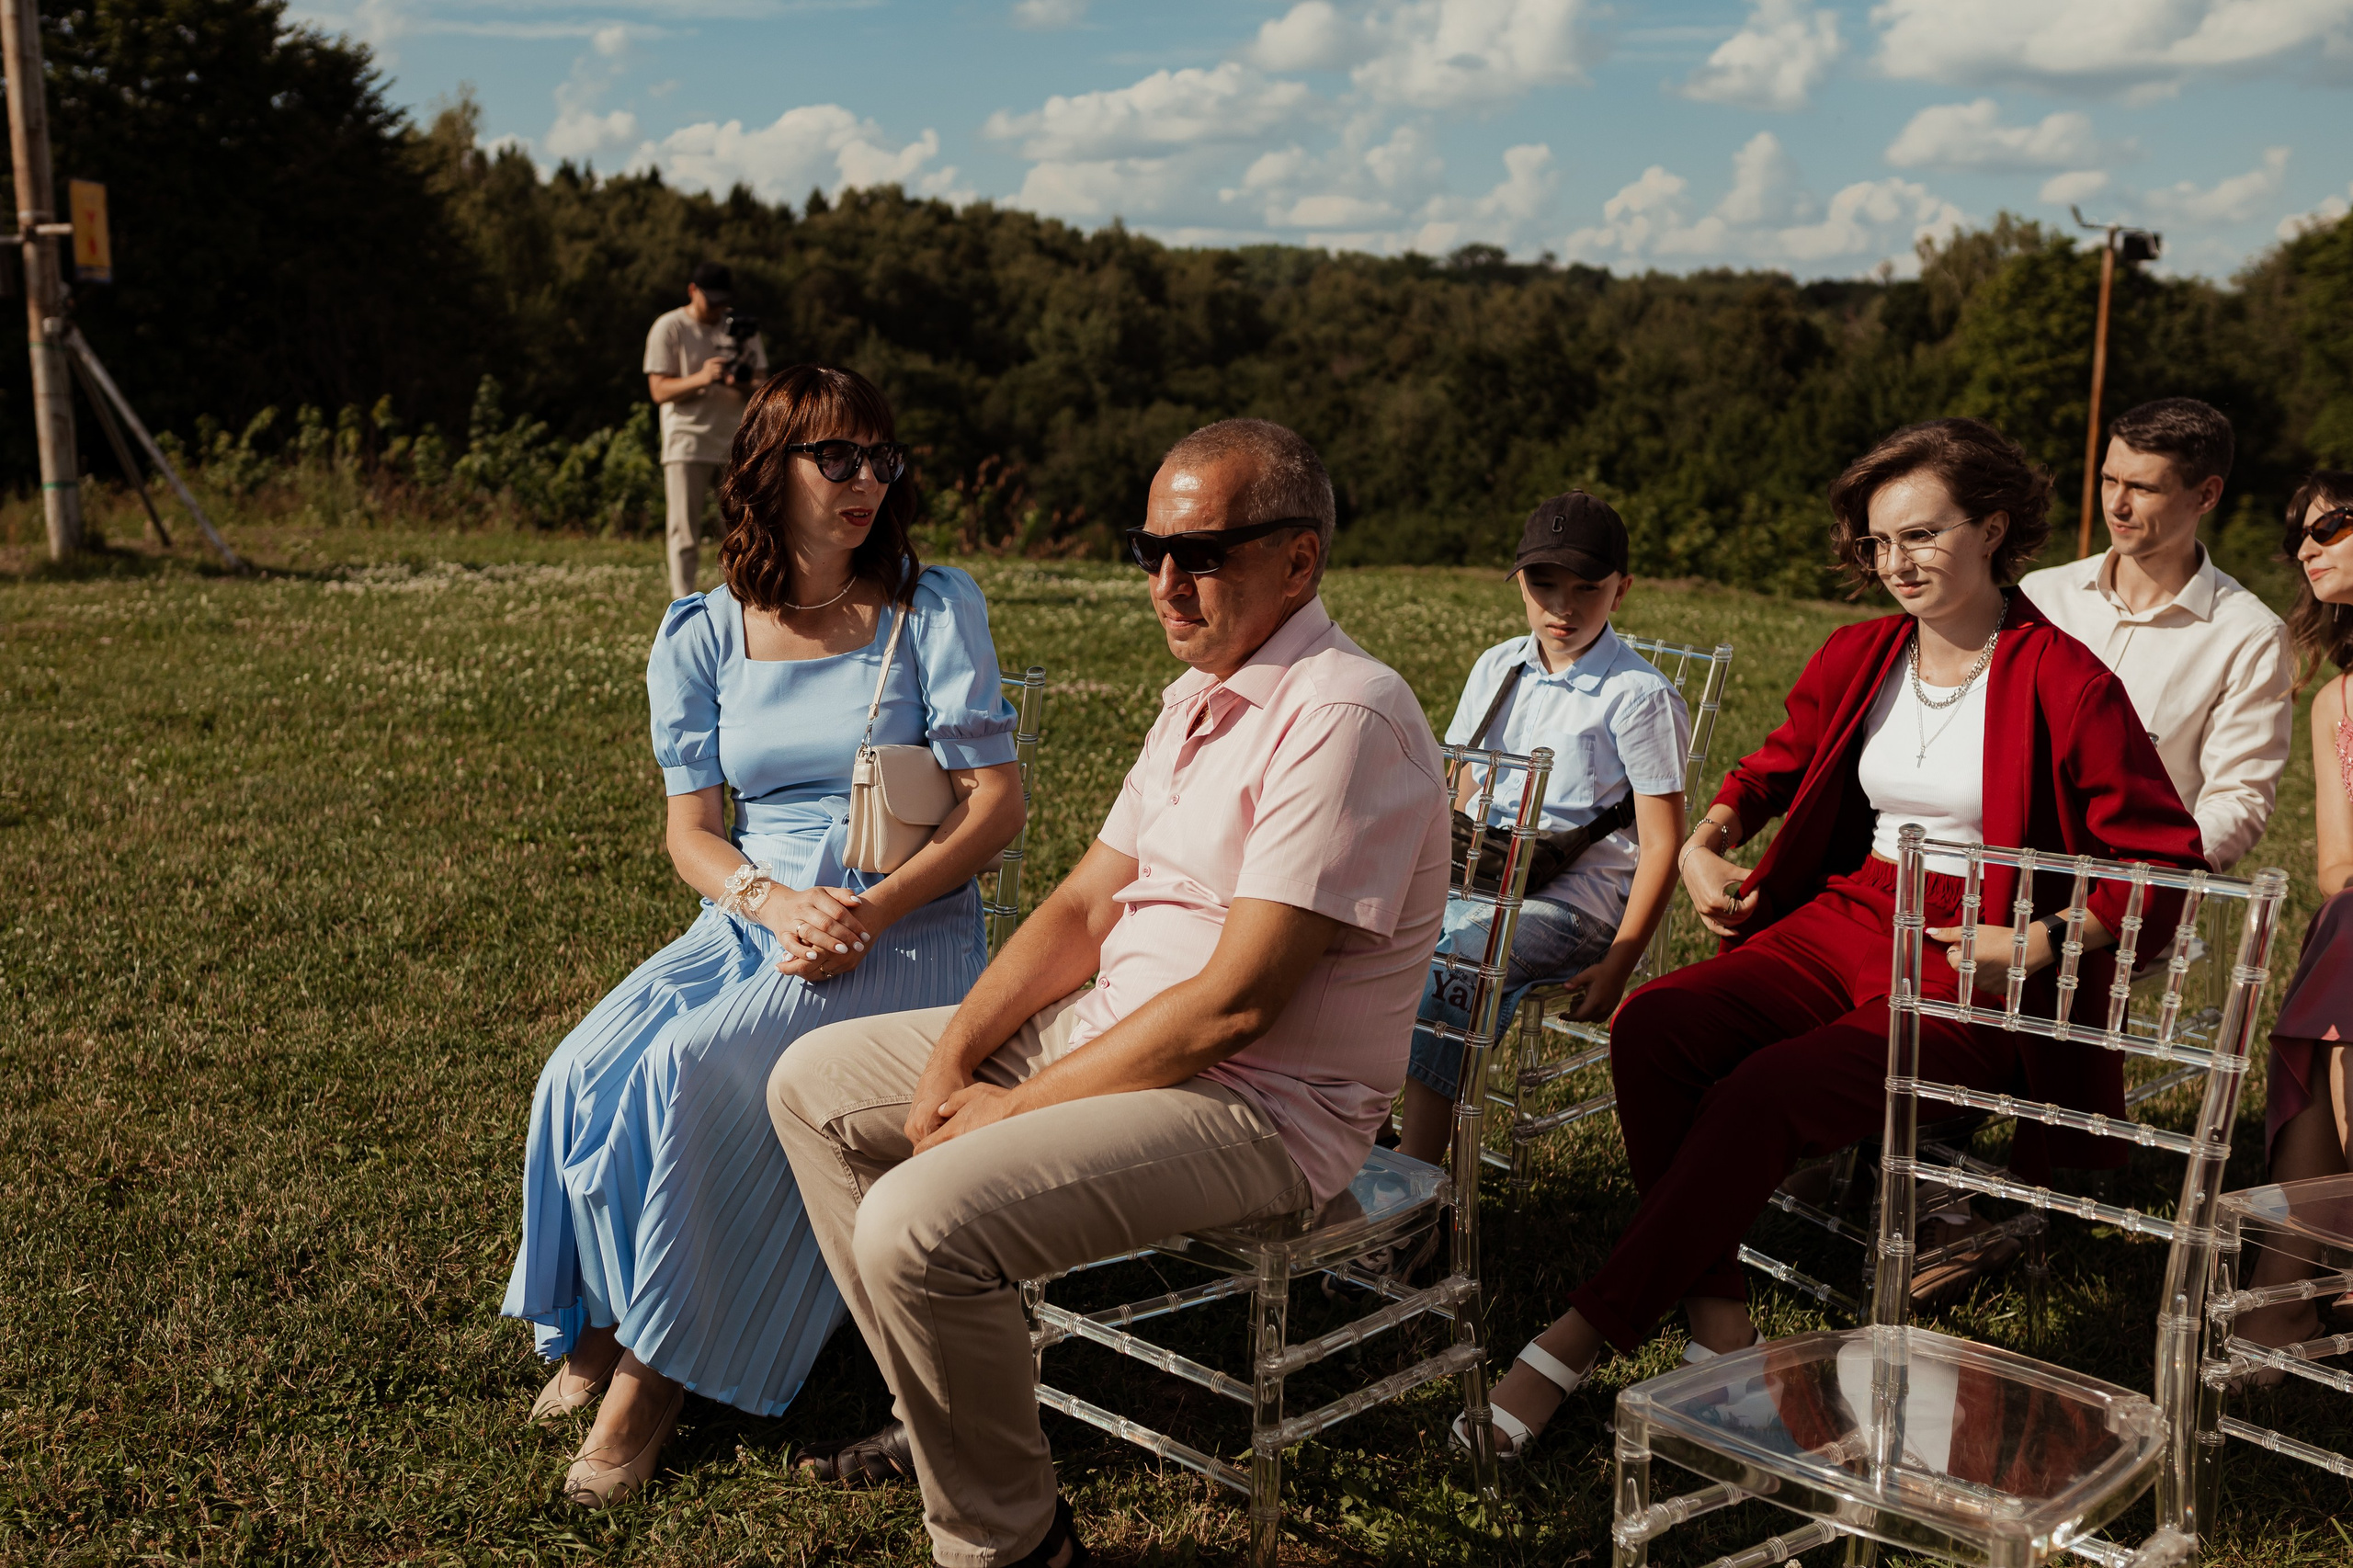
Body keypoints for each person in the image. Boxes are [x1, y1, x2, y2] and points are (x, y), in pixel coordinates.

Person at [766, 418, 1449, 1568]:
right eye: (1150, 550)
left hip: (1255, 1106)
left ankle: (1009, 1540)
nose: (1168, 583)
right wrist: (954, 1061)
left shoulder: (1341, 716)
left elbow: (1237, 1004)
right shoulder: (1199, 697)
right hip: (1114, 1042)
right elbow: (1084, 907)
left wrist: (1008, 1108)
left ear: (1299, 559)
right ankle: (950, 1415)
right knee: (811, 1084)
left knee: (917, 1223)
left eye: (1204, 552)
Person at [1469, 417, 2205, 1459]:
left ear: (1993, 527)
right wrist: (1707, 842)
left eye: (1920, 534)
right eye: (1877, 542)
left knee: (1762, 1092)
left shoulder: (2065, 680)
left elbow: (2163, 860)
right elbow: (1773, 764)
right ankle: (1719, 1331)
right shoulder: (1862, 650)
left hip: (1967, 952)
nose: (1895, 562)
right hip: (1852, 909)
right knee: (1656, 1026)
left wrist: (2037, 943)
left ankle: (1568, 1342)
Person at [500, 365, 1025, 1507]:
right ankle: (600, 1315)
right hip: (752, 914)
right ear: (766, 470)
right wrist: (770, 902)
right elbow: (691, 832)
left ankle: (655, 1374)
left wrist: (866, 910)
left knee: (696, 1066)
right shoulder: (702, 630)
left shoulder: (932, 606)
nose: (866, 482)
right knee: (581, 1069)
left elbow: (998, 806)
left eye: (882, 459)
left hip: (906, 926)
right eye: (836, 458)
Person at [1395, 490, 1688, 1167]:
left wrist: (1620, 962)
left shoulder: (1637, 697)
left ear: (1622, 592)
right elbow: (1463, 788)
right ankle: (1351, 1133)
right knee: (1362, 931)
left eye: (1588, 588)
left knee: (1455, 959)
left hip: (1572, 906)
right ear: (1519, 580)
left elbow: (1664, 843)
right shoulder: (1498, 666)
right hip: (1484, 877)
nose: (1563, 606)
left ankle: (1418, 1182)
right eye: (1543, 584)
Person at [2017, 398, 2291, 870]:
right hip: (2002, 876)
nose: (2116, 504)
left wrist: (2143, 883)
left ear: (2205, 495)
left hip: (2131, 905)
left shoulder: (2251, 635)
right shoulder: (2040, 597)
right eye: (2109, 479)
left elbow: (2237, 799)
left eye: (2142, 488)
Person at [2237, 471, 2353, 1369]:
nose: (2308, 545)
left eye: (2334, 525)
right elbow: (2333, 864)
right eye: (2298, 534)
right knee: (2327, 1016)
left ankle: (2282, 1301)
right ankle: (2287, 1303)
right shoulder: (2333, 701)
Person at [646, 261, 769, 599]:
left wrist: (739, 381)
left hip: (733, 443)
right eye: (710, 299)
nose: (716, 307)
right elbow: (658, 390)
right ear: (692, 291)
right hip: (685, 442)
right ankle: (681, 601)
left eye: (722, 300)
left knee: (738, 528)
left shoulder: (740, 327)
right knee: (683, 530)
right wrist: (702, 377)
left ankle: (740, 594)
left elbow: (762, 381)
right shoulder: (669, 327)